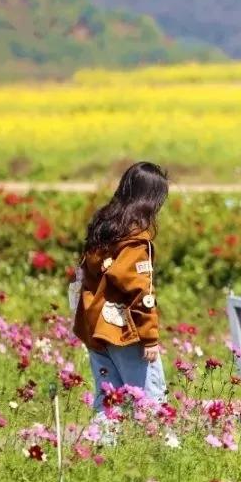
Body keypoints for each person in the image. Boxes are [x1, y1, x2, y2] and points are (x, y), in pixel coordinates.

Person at [72, 161, 169, 412]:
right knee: (149, 402)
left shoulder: (103, 228)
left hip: (95, 327)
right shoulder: (135, 241)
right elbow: (140, 291)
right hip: (126, 332)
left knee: (109, 403)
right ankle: (154, 441)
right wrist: (149, 338)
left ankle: (100, 439)